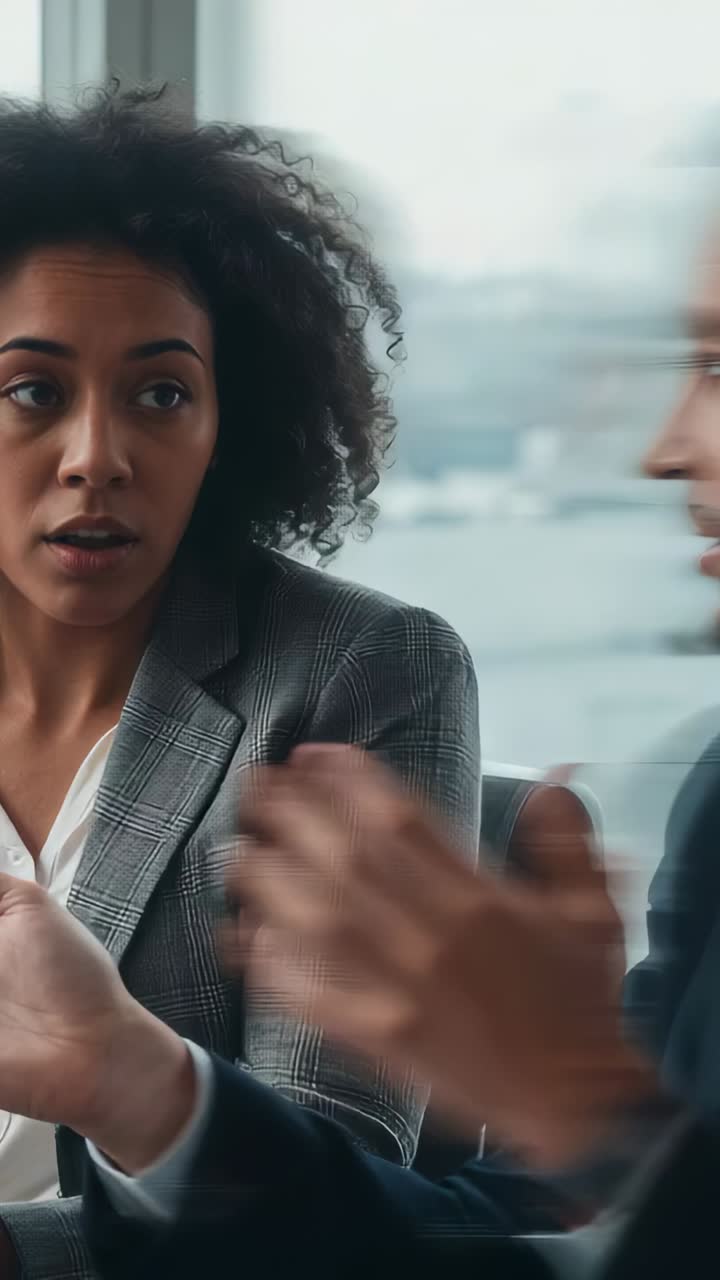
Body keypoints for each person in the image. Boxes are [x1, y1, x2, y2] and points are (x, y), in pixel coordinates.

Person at [0, 84, 481, 1280]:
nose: (97, 457)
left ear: (232, 420)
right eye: (31, 390)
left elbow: (332, 1169)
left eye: (162, 393)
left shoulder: (359, 674)